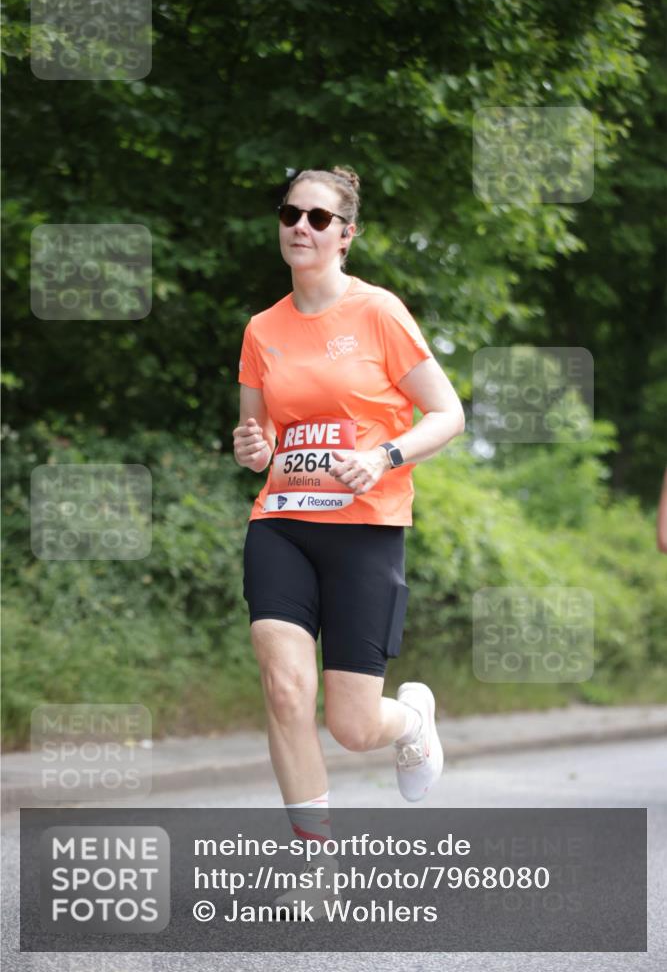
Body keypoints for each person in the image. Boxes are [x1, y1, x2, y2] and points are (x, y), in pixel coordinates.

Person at [233, 165, 466, 916]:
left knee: (354, 726)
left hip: (365, 529)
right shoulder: (262, 329)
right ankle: (315, 864)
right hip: (281, 523)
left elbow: (447, 414)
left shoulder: (378, 312)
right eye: (290, 214)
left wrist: (385, 455)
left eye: (318, 217)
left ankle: (411, 721)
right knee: (284, 689)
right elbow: (259, 437)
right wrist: (252, 447)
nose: (300, 227)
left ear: (345, 235)